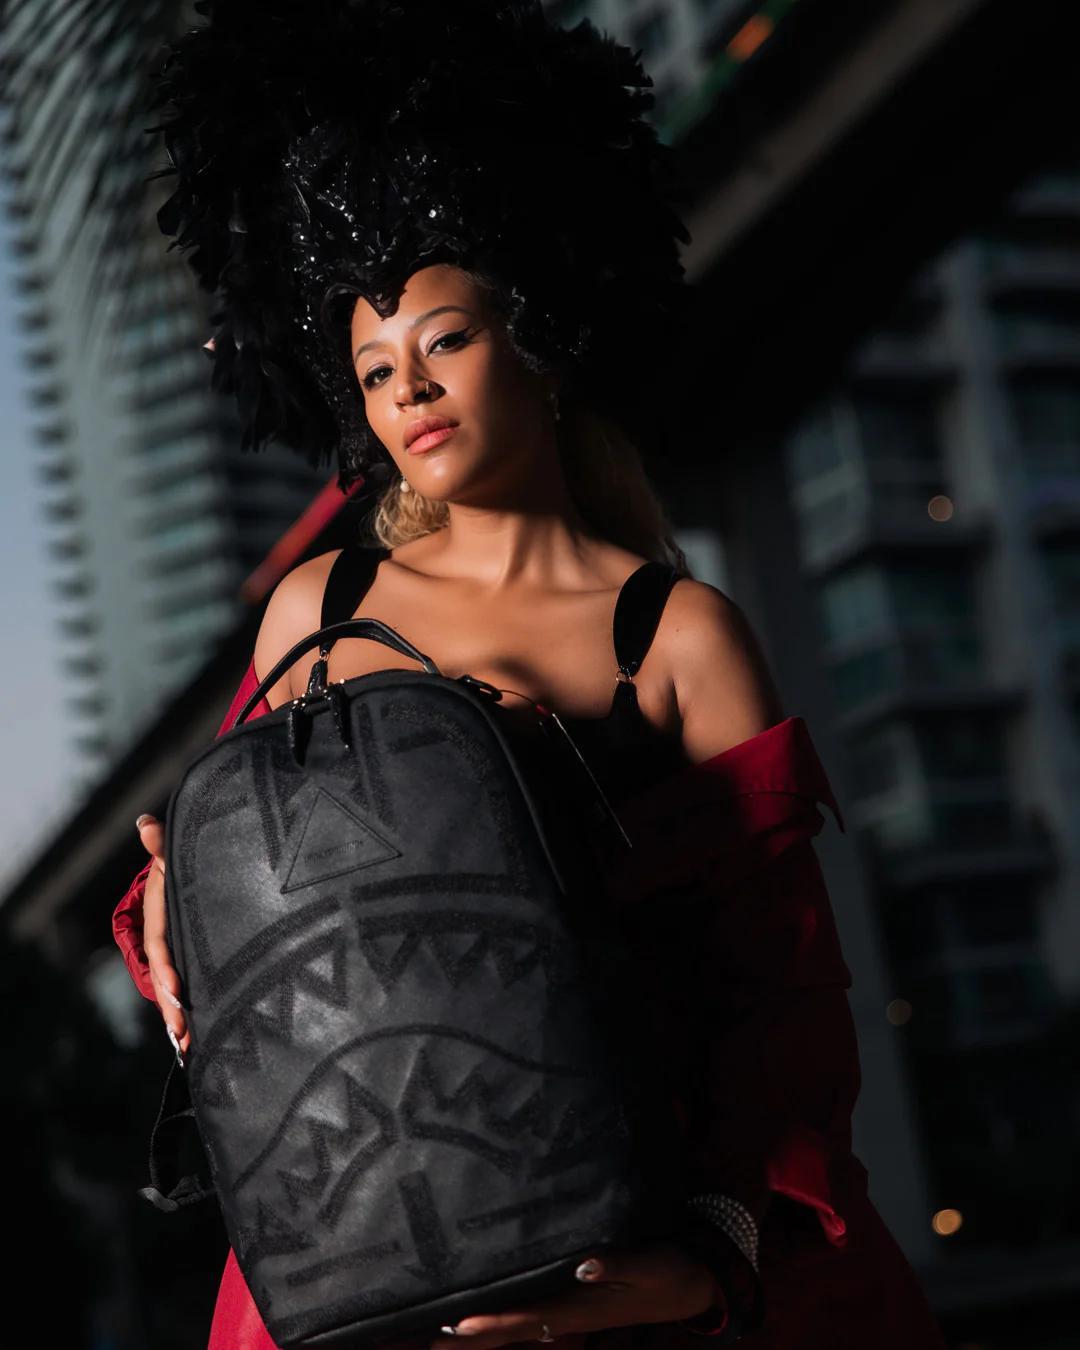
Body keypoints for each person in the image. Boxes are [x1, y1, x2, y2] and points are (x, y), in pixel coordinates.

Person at [111, 3, 948, 1346]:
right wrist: (171, 902)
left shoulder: (675, 637)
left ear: (538, 341)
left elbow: (779, 996)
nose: (407, 390)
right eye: (374, 369)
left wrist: (712, 1259)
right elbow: (234, 891)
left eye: (443, 340)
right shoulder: (317, 609)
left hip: (608, 1251)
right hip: (346, 1247)